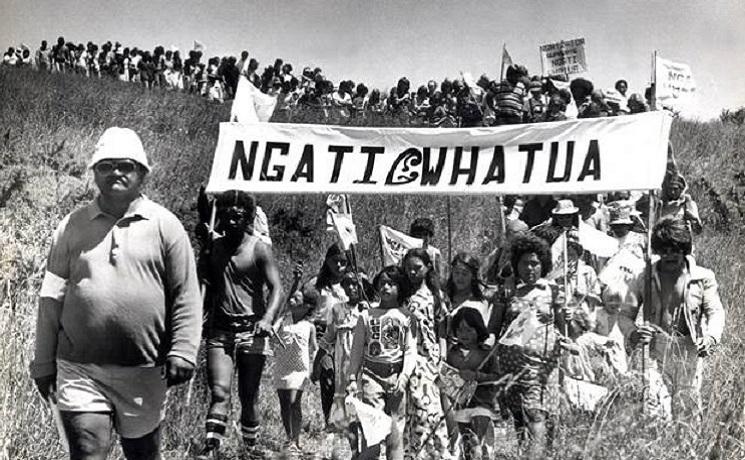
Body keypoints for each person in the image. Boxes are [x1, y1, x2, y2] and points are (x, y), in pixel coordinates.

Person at [30, 127, 202, 460]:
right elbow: (51, 298)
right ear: (94, 172)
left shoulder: (166, 226)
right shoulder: (71, 227)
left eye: (125, 165)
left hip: (144, 369)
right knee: (87, 450)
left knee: (143, 454)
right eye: (106, 166)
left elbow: (186, 294)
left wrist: (183, 349)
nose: (116, 173)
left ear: (142, 173)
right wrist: (42, 362)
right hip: (80, 368)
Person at [198, 190, 284, 458]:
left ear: (248, 217)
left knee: (249, 395)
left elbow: (277, 289)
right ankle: (211, 448)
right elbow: (204, 283)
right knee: (220, 392)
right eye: (226, 215)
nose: (232, 220)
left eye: (238, 216)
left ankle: (249, 448)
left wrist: (267, 318)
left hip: (252, 331)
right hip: (220, 330)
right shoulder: (214, 247)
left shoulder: (259, 248)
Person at [619, 217, 724, 420]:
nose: (670, 256)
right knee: (655, 409)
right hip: (655, 349)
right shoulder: (644, 277)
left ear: (684, 250)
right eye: (664, 251)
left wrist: (711, 337)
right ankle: (659, 449)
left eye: (675, 250)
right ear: (657, 251)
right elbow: (625, 315)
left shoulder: (703, 277)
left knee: (688, 410)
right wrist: (633, 332)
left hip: (688, 348)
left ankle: (688, 451)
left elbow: (715, 311)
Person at [493, 233, 573, 457]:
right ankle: (529, 453)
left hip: (542, 367)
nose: (530, 269)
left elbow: (564, 326)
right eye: (524, 263)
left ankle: (538, 455)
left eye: (535, 263)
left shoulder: (552, 292)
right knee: (521, 417)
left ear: (543, 265)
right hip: (511, 366)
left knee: (538, 414)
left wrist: (566, 316)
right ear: (516, 265)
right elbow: (494, 327)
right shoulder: (507, 293)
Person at [347, 266, 417, 460]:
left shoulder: (408, 318)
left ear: (400, 287)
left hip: (396, 379)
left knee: (396, 432)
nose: (386, 287)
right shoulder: (366, 316)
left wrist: (403, 378)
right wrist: (352, 378)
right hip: (371, 377)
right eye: (382, 283)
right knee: (373, 432)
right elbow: (357, 350)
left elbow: (411, 351)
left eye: (392, 283)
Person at [401, 248, 452, 459]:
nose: (413, 273)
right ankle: (412, 452)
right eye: (409, 269)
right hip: (407, 358)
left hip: (429, 360)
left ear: (427, 267)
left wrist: (442, 357)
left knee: (430, 410)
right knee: (411, 411)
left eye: (417, 268)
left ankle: (437, 452)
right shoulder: (403, 296)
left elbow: (441, 331)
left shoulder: (436, 296)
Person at [445, 308, 500, 460]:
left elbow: (496, 378)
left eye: (469, 330)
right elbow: (446, 380)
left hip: (482, 405)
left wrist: (476, 376)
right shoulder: (452, 354)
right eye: (460, 330)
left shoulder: (486, 353)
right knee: (466, 443)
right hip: (460, 407)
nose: (464, 334)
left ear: (478, 330)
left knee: (478, 440)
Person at [272, 281, 319, 456]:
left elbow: (314, 349)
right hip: (282, 367)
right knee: (284, 404)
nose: (292, 300)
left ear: (306, 306)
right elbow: (273, 329)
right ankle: (289, 437)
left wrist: (314, 368)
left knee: (294, 402)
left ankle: (295, 439)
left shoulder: (309, 326)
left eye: (296, 298)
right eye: (291, 297)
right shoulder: (284, 321)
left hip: (300, 370)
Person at [310, 243, 349, 427]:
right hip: (322, 331)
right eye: (335, 262)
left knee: (344, 377)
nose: (339, 266)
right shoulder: (317, 283)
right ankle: (329, 421)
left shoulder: (351, 283)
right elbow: (302, 301)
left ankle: (343, 419)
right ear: (327, 261)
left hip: (345, 333)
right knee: (328, 374)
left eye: (343, 262)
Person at [409, 217, 445, 281]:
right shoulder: (407, 251)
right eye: (418, 234)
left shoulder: (434, 253)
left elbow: (439, 275)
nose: (422, 237)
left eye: (425, 234)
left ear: (430, 236)